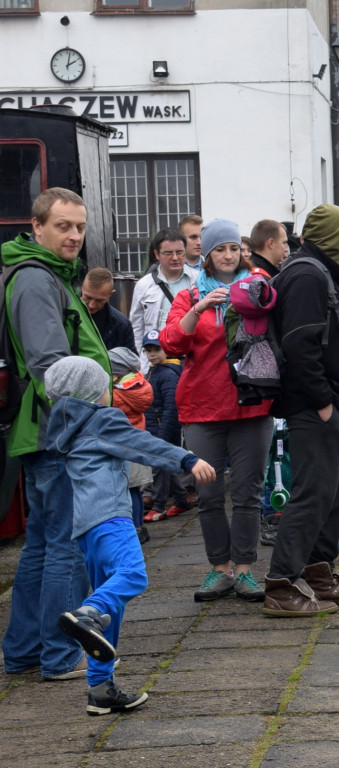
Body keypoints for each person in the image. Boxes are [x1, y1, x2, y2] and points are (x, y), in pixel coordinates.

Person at [44, 356, 214, 715]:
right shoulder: (102, 419)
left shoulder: (64, 427)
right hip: (111, 518)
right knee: (132, 576)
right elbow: (142, 443)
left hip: (86, 528)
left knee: (113, 607)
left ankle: (100, 689)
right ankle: (87, 613)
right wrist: (186, 459)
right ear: (93, 393)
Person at [2, 187, 111, 682]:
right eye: (63, 226)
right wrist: (89, 419)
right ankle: (61, 654)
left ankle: (25, 650)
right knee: (66, 545)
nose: (74, 236)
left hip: (49, 431)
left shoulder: (46, 274)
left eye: (80, 227)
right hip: (60, 432)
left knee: (44, 545)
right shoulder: (35, 279)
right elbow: (50, 367)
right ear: (37, 226)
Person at [263, 203, 339, 616]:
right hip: (316, 408)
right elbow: (300, 345)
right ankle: (280, 585)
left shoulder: (321, 269)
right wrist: (323, 402)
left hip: (333, 407)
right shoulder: (308, 275)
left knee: (335, 490)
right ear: (336, 237)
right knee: (312, 495)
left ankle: (319, 573)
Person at [159, 218, 274, 603]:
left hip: (252, 405)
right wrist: (200, 308)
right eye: (219, 249)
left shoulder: (258, 288)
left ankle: (243, 569)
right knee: (207, 495)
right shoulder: (190, 296)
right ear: (207, 254)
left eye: (233, 248)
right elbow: (172, 344)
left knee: (247, 493)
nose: (228, 255)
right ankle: (219, 568)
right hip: (202, 407)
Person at [130, 227, 195, 373]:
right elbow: (136, 328)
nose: (175, 258)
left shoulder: (198, 281)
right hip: (156, 362)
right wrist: (140, 364)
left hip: (190, 361)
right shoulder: (144, 285)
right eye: (168, 253)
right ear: (157, 254)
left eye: (179, 252)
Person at [141, 329, 189, 522]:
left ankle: (159, 506)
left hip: (164, 429)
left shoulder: (168, 373)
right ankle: (181, 499)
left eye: (156, 349)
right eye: (148, 350)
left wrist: (164, 433)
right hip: (155, 428)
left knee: (161, 466)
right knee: (167, 465)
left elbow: (171, 406)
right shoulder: (153, 371)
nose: (152, 354)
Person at [108, 347, 154, 541]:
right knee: (135, 490)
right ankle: (140, 526)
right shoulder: (137, 386)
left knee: (129, 491)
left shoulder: (117, 394)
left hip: (125, 446)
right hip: (138, 442)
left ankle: (134, 529)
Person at [81, 268, 135, 353]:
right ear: (82, 289)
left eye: (99, 300)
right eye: (88, 298)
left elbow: (129, 359)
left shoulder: (122, 325)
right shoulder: (66, 315)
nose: (91, 305)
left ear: (110, 294)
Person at [178, 214, 204, 280]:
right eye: (193, 237)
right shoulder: (169, 270)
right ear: (181, 239)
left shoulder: (214, 267)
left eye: (201, 237)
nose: (199, 242)